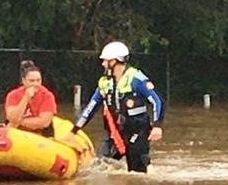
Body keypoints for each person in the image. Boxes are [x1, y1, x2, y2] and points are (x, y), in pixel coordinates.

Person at [69, 41, 164, 172]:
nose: (102, 64)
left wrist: (157, 126)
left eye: (105, 61)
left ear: (114, 61)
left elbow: (157, 101)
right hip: (115, 133)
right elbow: (90, 109)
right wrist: (74, 130)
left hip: (137, 131)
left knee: (136, 172)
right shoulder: (104, 83)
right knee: (99, 165)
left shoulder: (136, 79)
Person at [4, 59, 58, 137]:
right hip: (17, 133)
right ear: (24, 81)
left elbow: (44, 122)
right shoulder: (13, 95)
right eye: (31, 81)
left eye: (38, 80)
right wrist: (25, 98)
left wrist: (19, 122)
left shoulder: (47, 96)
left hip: (40, 133)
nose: (35, 84)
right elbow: (12, 118)